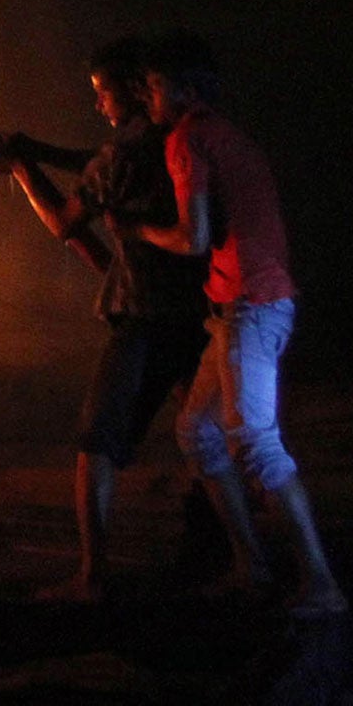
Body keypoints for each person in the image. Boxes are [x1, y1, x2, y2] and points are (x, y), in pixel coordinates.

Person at [0, 39, 209, 601]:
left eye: (103, 94)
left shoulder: (125, 153)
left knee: (96, 440)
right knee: (207, 437)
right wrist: (35, 150)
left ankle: (91, 578)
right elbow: (96, 163)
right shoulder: (162, 139)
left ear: (129, 91)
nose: (98, 105)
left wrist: (22, 169)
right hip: (192, 310)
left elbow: (63, 219)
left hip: (144, 314)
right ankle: (221, 552)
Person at [126, 32, 345, 616]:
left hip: (250, 305)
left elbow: (194, 236)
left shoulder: (187, 139)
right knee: (196, 432)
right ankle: (254, 569)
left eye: (153, 85)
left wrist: (142, 232)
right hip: (243, 306)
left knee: (255, 441)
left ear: (185, 89)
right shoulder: (229, 135)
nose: (147, 95)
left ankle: (323, 588)